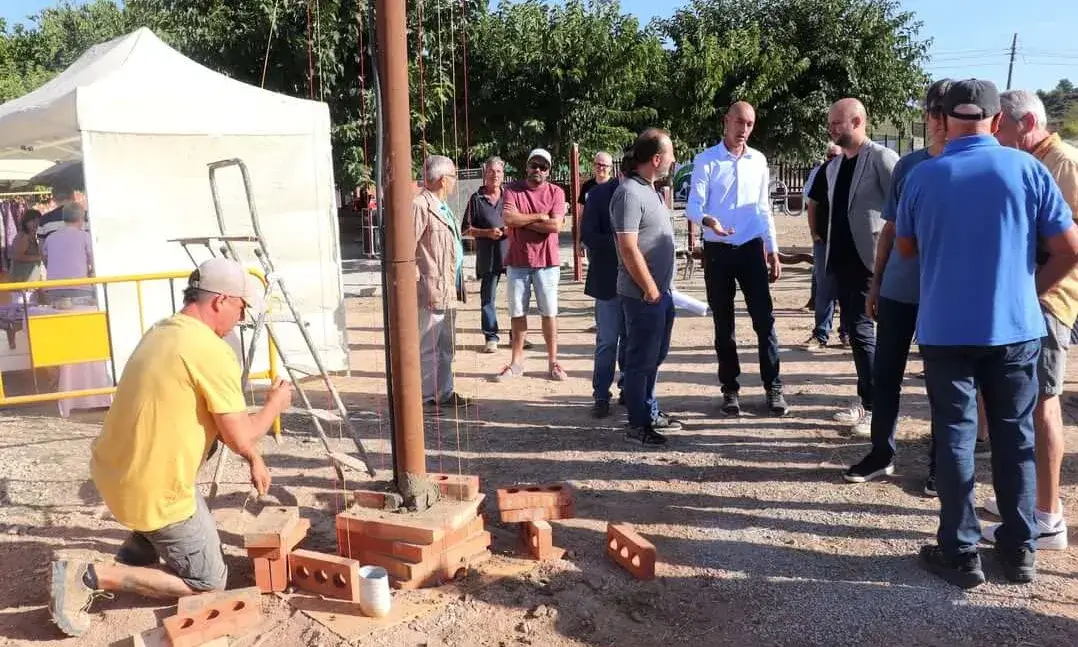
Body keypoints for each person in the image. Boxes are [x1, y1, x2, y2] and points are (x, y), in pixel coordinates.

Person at [48, 257, 294, 636]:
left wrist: (254, 457)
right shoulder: (209, 350)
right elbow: (239, 435)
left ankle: (138, 550)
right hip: (152, 488)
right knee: (210, 583)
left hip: (115, 471)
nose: (241, 317)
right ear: (220, 301)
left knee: (188, 478)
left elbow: (221, 430)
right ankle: (92, 577)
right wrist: (274, 406)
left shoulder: (163, 331)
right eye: (241, 307)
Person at [896, 79, 1078, 588]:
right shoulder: (1027, 169)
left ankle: (960, 551)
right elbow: (1068, 247)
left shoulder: (923, 176)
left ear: (946, 121)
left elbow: (906, 249)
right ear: (996, 122)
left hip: (946, 329)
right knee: (1013, 435)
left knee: (955, 438)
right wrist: (1027, 287)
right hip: (1016, 328)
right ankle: (1019, 551)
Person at [844, 79, 956, 488]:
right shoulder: (909, 166)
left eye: (947, 113)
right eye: (934, 113)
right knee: (886, 374)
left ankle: (939, 465)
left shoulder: (971, 168)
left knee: (943, 382)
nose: (939, 122)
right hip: (898, 290)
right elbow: (889, 230)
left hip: (944, 295)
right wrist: (876, 284)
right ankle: (881, 453)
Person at [983, 89, 1078, 549]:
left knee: (1043, 405)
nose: (995, 136)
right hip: (1028, 301)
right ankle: (1027, 503)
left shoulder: (1064, 164)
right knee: (1023, 403)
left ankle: (1047, 517)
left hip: (1048, 303)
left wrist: (1032, 287)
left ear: (1025, 122)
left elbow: (1071, 245)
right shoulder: (1030, 162)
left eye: (1000, 127)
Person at [685, 101, 788, 417]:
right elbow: (693, 206)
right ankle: (730, 389)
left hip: (751, 249)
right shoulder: (707, 161)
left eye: (750, 124)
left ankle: (774, 387)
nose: (744, 130)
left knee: (764, 321)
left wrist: (772, 249)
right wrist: (708, 221)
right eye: (739, 122)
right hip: (718, 252)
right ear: (726, 121)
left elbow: (763, 207)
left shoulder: (759, 161)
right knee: (724, 324)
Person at [812, 98, 899, 435]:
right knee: (858, 336)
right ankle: (867, 402)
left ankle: (877, 409)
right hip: (842, 264)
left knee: (864, 336)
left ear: (858, 121)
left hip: (873, 264)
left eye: (838, 122)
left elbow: (903, 206)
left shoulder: (881, 158)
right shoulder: (833, 167)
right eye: (831, 122)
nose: (832, 128)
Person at [612, 129, 679, 445]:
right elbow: (628, 247)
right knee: (640, 362)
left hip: (659, 295)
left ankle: (649, 412)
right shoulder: (628, 194)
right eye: (670, 154)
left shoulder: (650, 190)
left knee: (654, 358)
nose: (673, 160)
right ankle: (638, 425)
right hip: (643, 296)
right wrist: (651, 290)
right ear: (655, 159)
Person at [495, 148, 568, 382]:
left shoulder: (556, 192)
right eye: (534, 165)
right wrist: (539, 217)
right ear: (526, 166)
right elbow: (509, 220)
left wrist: (523, 221)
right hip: (518, 260)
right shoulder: (512, 190)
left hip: (547, 261)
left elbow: (556, 226)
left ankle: (553, 362)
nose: (538, 170)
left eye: (543, 167)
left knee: (549, 312)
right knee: (517, 312)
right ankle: (516, 362)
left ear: (548, 171)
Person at [414, 155, 469, 407]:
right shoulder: (419, 205)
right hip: (430, 289)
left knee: (447, 345)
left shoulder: (443, 206)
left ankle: (444, 392)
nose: (455, 182)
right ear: (443, 180)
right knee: (429, 345)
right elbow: (406, 250)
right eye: (454, 177)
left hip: (448, 289)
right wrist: (420, 281)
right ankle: (427, 396)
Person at [582, 151, 630, 418]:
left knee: (632, 341)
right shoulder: (599, 196)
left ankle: (628, 389)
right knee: (608, 341)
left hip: (638, 283)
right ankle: (601, 395)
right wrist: (623, 244)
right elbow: (588, 235)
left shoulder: (647, 193)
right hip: (608, 280)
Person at [462, 157, 509, 354]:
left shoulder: (511, 196)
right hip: (488, 256)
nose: (494, 175)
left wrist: (510, 229)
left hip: (511, 254)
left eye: (498, 171)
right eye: (491, 171)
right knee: (488, 298)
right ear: (485, 173)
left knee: (518, 297)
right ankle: (491, 336)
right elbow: (465, 230)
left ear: (503, 174)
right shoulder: (476, 198)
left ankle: (518, 335)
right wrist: (486, 233)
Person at [804, 143, 845, 349]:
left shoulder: (857, 171)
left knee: (849, 288)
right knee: (824, 288)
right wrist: (814, 233)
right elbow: (812, 204)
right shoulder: (823, 172)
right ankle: (821, 333)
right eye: (830, 155)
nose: (833, 159)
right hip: (824, 241)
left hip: (850, 242)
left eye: (836, 155)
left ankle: (848, 334)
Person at [41, 203, 94, 304]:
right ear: (81, 217)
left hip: (54, 288)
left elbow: (45, 257)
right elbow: (94, 261)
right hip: (79, 287)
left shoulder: (50, 238)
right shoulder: (85, 237)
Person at [8, 209, 43, 283]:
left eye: (38, 221)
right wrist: (39, 257)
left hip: (30, 282)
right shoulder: (23, 236)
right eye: (33, 220)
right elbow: (17, 256)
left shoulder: (33, 236)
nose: (36, 223)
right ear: (26, 222)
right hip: (21, 282)